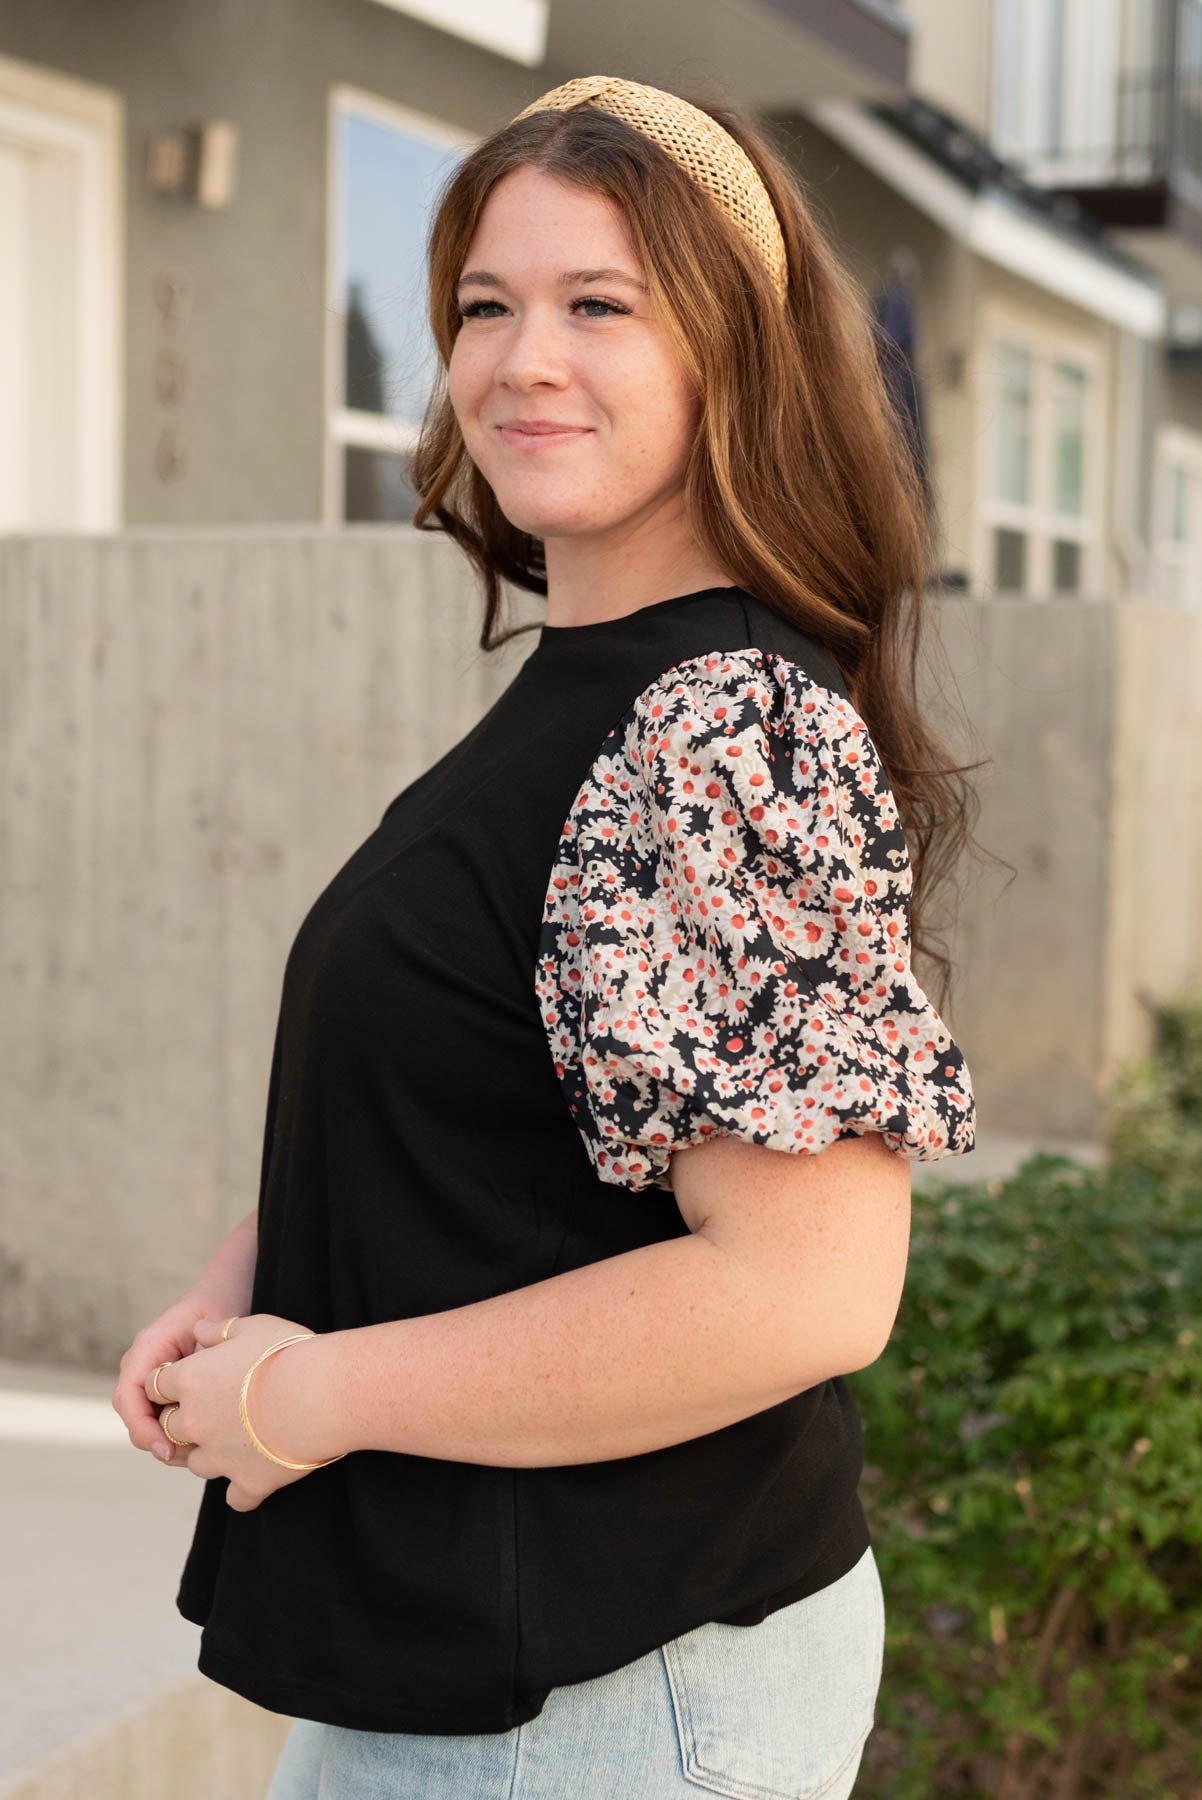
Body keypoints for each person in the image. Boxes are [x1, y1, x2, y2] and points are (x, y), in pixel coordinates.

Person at [112, 74, 978, 1800]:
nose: (521, 360)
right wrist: (246, 1287)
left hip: (613, 1685)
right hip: (498, 1663)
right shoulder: (588, 692)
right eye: (482, 306)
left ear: (732, 351)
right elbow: (485, 1091)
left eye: (600, 306)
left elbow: (804, 1287)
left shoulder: (721, 720)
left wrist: (323, 1392)